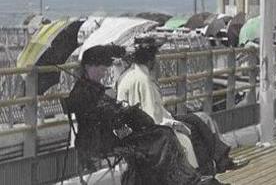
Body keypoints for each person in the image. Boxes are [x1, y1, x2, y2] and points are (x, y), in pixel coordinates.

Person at [65, 45, 221, 185]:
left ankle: (180, 178)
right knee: (162, 136)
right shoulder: (82, 91)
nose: (103, 72)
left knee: (162, 133)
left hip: (113, 133)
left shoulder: (92, 87)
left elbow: (108, 114)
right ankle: (179, 180)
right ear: (88, 66)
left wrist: (118, 108)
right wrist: (117, 109)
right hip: (101, 139)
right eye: (100, 68)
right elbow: (99, 117)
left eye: (105, 69)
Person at [118, 39, 242, 175]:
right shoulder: (143, 80)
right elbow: (152, 116)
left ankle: (221, 160)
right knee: (192, 130)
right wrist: (175, 124)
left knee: (202, 118)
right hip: (153, 126)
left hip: (148, 122)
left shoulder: (127, 76)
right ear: (150, 60)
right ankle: (205, 169)